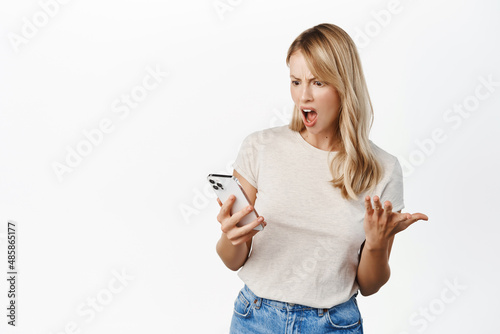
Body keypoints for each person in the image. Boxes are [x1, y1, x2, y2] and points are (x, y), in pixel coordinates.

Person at [215, 23, 428, 333]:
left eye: (317, 82)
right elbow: (232, 259)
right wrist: (231, 236)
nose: (304, 96)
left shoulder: (383, 169)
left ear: (344, 86)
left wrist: (377, 244)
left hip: (332, 324)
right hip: (255, 319)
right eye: (296, 81)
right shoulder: (260, 147)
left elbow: (369, 285)